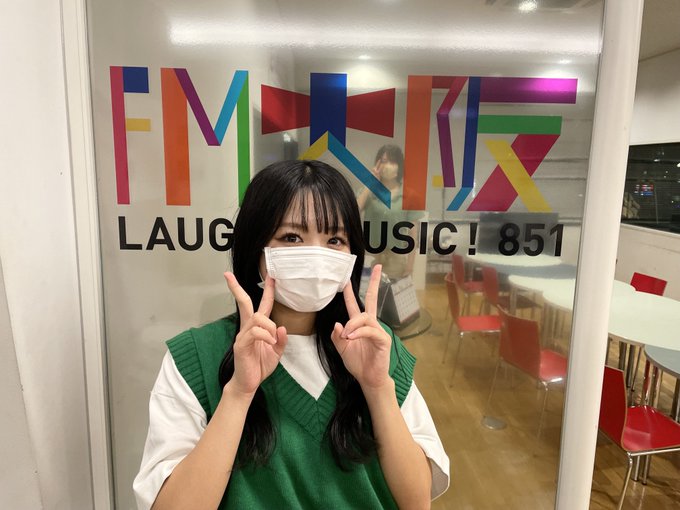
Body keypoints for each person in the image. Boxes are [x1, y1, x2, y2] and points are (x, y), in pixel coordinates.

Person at [133, 160, 449, 509]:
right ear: (255, 247)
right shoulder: (195, 357)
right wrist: (238, 394)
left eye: (335, 240)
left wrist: (377, 389)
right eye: (291, 237)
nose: (316, 255)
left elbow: (417, 501)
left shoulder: (378, 347)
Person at [357, 145, 424, 281]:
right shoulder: (369, 191)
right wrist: (370, 183)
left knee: (392, 293)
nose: (388, 165)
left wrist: (410, 265)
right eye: (384, 161)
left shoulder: (410, 195)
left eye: (392, 161)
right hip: (371, 255)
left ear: (399, 166)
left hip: (396, 257)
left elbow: (413, 234)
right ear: (377, 164)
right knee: (369, 292)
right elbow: (354, 209)